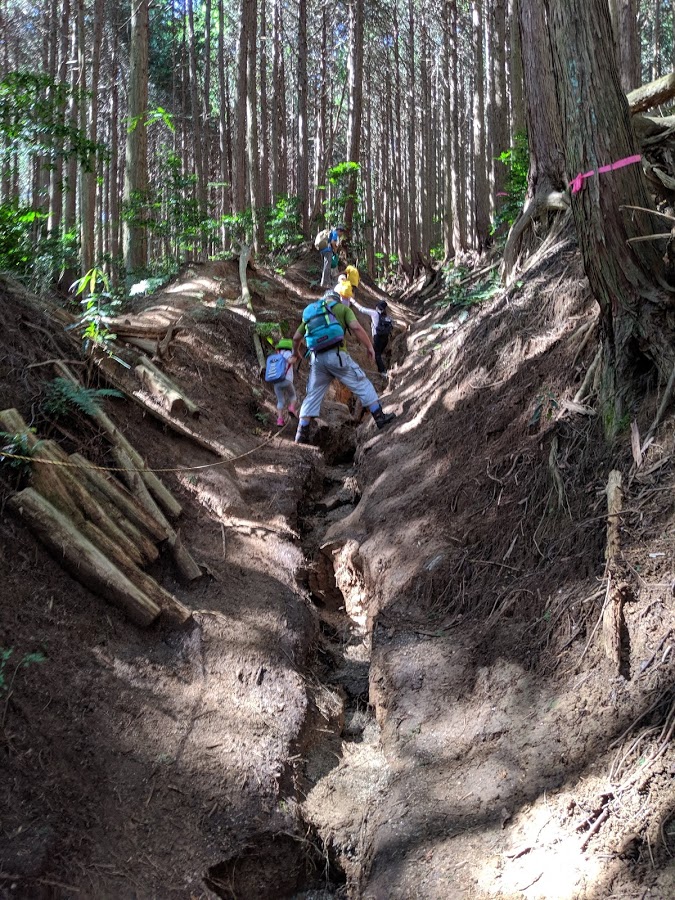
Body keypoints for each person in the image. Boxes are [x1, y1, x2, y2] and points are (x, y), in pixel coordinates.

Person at [289, 291, 396, 444]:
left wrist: (295, 353)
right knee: (361, 382)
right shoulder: (342, 309)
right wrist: (369, 347)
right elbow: (357, 328)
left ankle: (301, 434)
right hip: (338, 355)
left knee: (312, 395)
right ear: (337, 300)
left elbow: (296, 338)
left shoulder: (314, 312)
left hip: (317, 360)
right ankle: (380, 418)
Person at [351, 298, 394, 375]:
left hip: (378, 337)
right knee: (379, 353)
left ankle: (383, 372)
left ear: (377, 307)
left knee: (376, 354)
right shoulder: (386, 316)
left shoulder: (374, 313)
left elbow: (361, 309)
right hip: (385, 338)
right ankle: (383, 364)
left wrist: (352, 300)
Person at [271, 339, 298, 426]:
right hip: (286, 380)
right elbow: (291, 361)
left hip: (276, 382)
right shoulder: (286, 353)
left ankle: (280, 420)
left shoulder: (277, 355)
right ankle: (291, 408)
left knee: (280, 401)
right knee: (293, 396)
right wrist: (295, 357)